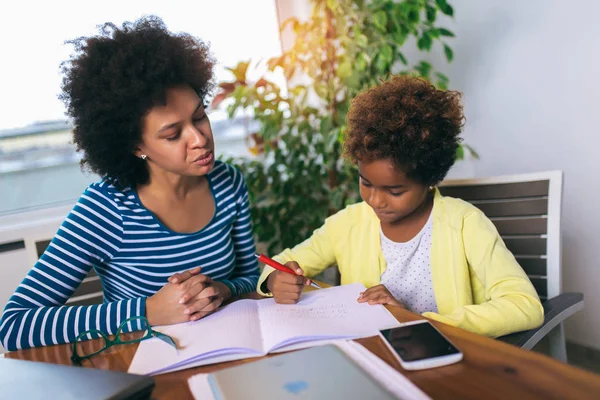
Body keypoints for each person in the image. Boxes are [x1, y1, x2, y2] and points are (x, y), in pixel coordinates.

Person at [0, 16, 259, 351]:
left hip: (232, 355)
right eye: (172, 134)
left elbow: (251, 278)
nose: (199, 139)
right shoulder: (105, 209)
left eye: (199, 117)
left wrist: (223, 290)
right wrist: (149, 311)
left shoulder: (228, 183)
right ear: (136, 146)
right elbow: (15, 325)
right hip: (150, 373)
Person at [258, 76, 543, 338]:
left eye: (395, 191)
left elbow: (524, 305)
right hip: (375, 357)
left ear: (430, 179)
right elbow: (285, 261)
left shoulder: (465, 223)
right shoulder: (347, 224)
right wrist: (275, 279)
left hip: (447, 360)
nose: (376, 200)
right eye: (366, 183)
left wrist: (420, 321)